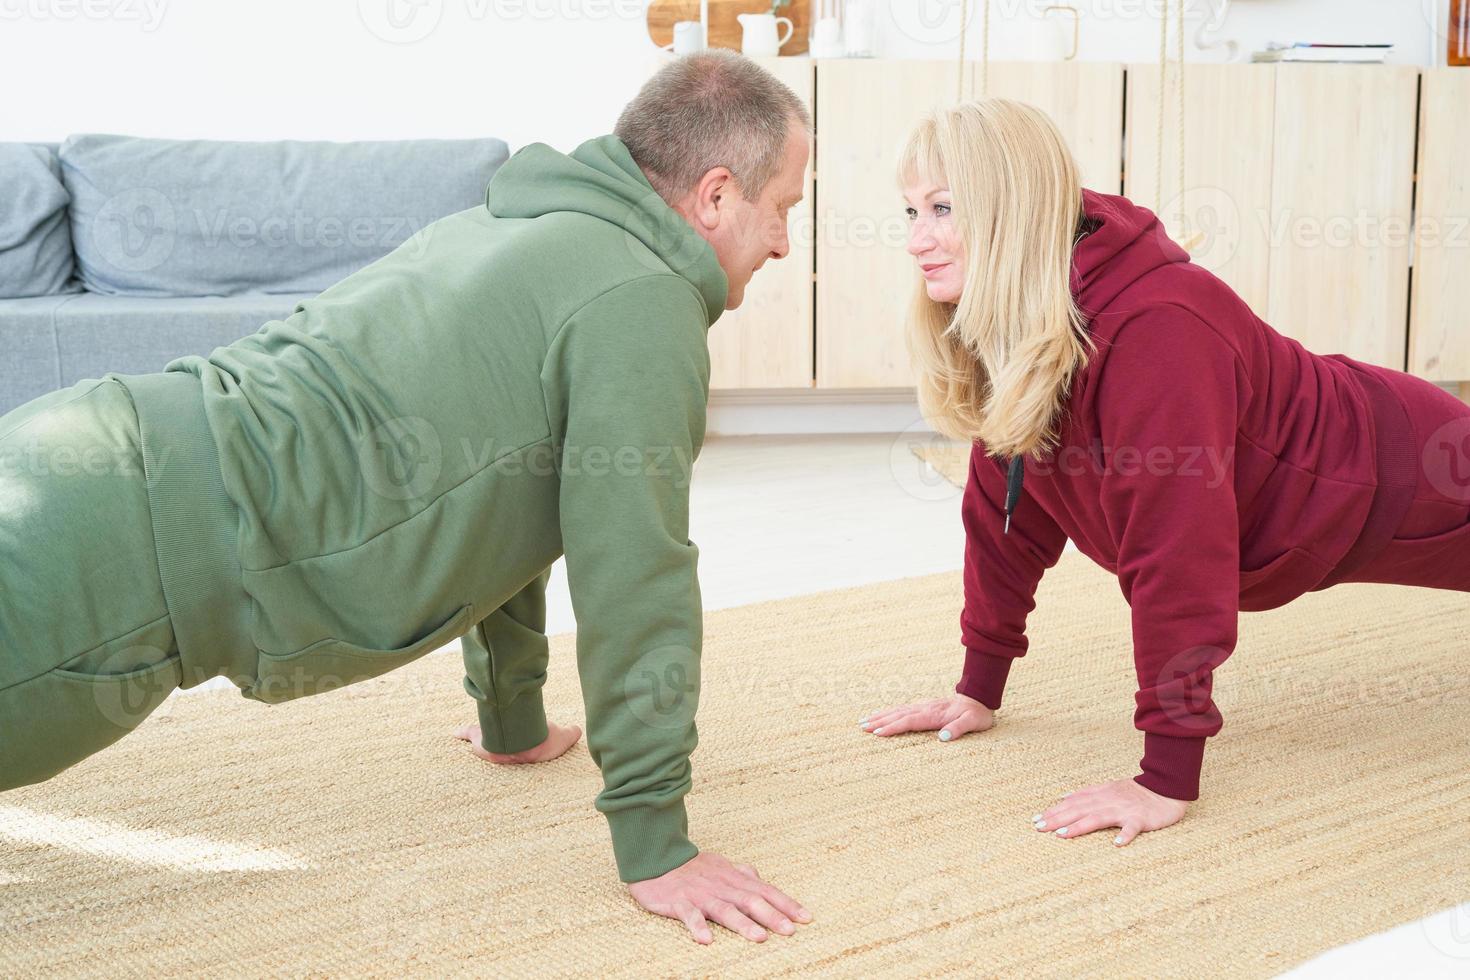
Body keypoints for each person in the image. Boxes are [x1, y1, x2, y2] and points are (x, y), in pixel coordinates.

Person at [0, 50, 811, 944]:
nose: (783, 243)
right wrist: (657, 842)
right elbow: (635, 571)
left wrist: (513, 720)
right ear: (718, 194)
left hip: (88, 451)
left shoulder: (521, 226)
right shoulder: (642, 303)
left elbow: (514, 490)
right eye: (784, 210)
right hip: (120, 559)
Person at [860, 97, 1470, 848]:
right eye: (911, 210)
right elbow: (1005, 514)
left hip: (1403, 468)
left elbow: (1177, 556)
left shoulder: (1157, 329)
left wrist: (1166, 776)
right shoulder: (1019, 314)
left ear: (1011, 208)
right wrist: (977, 688)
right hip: (1338, 485)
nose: (917, 239)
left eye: (943, 208)